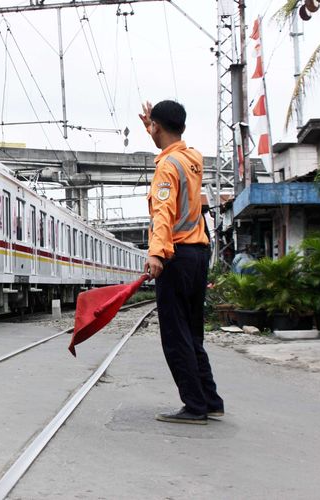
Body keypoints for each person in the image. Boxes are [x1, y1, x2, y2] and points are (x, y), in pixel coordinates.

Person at [139, 100, 224, 425]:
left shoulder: (166, 167)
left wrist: (157, 253)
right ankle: (210, 399)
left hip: (177, 255)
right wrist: (155, 126)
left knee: (175, 335)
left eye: (153, 127)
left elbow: (163, 212)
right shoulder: (192, 159)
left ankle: (194, 406)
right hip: (199, 254)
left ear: (157, 127)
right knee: (193, 333)